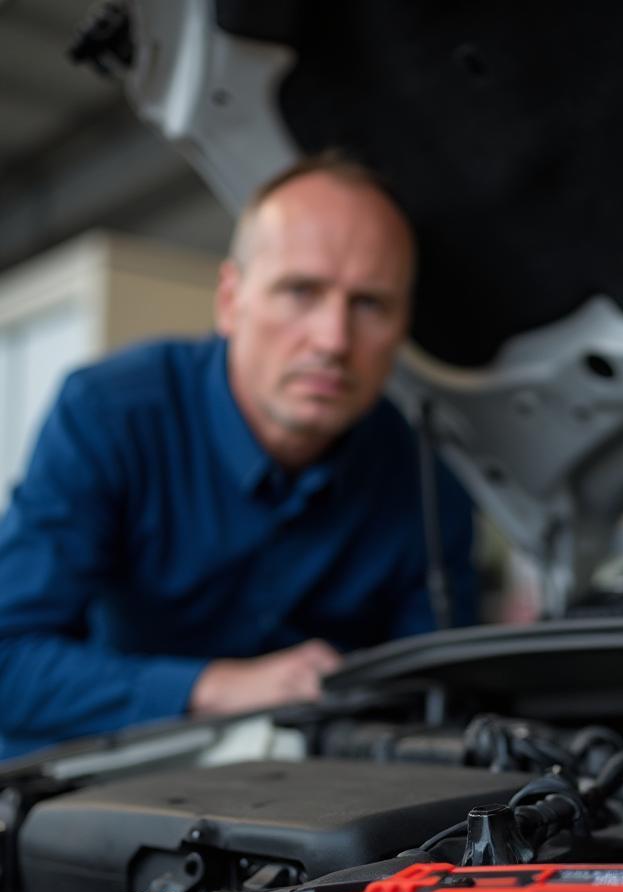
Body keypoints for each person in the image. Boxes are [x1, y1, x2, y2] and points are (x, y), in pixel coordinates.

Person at [0, 153, 477, 759]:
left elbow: (439, 704)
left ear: (402, 326)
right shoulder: (109, 414)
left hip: (316, 803)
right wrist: (219, 686)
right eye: (300, 291)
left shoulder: (432, 483)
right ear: (230, 299)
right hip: (100, 783)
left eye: (370, 305)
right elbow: (8, 660)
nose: (332, 340)